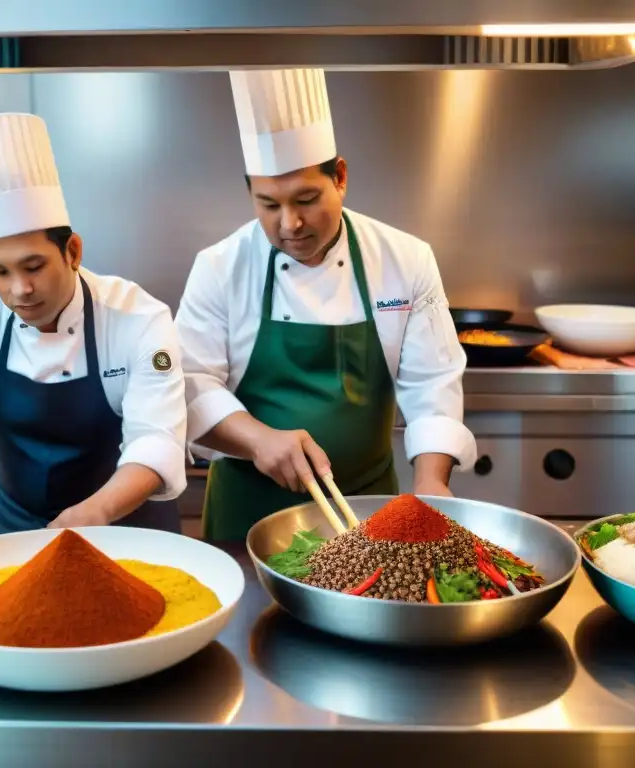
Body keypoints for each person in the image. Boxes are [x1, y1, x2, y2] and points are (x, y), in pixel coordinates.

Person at [174, 69, 477, 541]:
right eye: (268, 205)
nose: (290, 223)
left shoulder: (405, 259)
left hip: (366, 510)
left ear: (340, 177)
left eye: (306, 199)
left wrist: (432, 484)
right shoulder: (220, 267)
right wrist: (259, 440)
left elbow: (432, 383)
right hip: (246, 512)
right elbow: (190, 384)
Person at [0, 112, 186, 542]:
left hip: (125, 527)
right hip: (12, 526)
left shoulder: (138, 319)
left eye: (34, 266)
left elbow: (156, 442)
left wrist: (98, 509)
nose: (19, 290)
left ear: (73, 251)